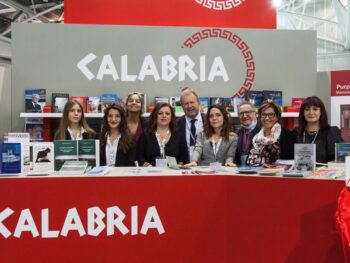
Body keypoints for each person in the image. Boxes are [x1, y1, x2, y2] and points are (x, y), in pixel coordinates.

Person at [137, 102, 189, 166]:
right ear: (155, 116)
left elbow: (184, 156)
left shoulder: (179, 135)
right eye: (160, 113)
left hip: (173, 173)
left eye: (167, 113)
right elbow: (139, 155)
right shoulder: (146, 135)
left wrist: (180, 164)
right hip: (150, 173)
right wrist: (145, 164)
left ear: (171, 117)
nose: (164, 116)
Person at [247, 100, 296, 166]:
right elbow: (248, 162)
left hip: (278, 175)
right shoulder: (255, 136)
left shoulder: (288, 135)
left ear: (277, 117)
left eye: (271, 114)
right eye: (264, 114)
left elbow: (292, 161)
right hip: (256, 174)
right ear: (260, 117)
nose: (267, 118)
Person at [296, 96, 343, 163]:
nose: (311, 113)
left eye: (315, 109)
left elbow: (339, 160)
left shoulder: (331, 132)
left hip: (325, 172)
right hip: (301, 172)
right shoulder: (296, 133)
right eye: (307, 109)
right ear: (303, 113)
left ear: (321, 112)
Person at [177, 88, 204, 160]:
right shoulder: (176, 124)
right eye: (186, 103)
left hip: (206, 167)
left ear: (198, 102)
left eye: (192, 102)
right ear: (182, 106)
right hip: (184, 167)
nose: (189, 106)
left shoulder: (209, 121)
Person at [234, 102, 260, 166]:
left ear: (256, 114)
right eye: (241, 113)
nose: (244, 115)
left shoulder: (264, 131)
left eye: (248, 112)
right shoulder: (236, 134)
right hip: (241, 172)